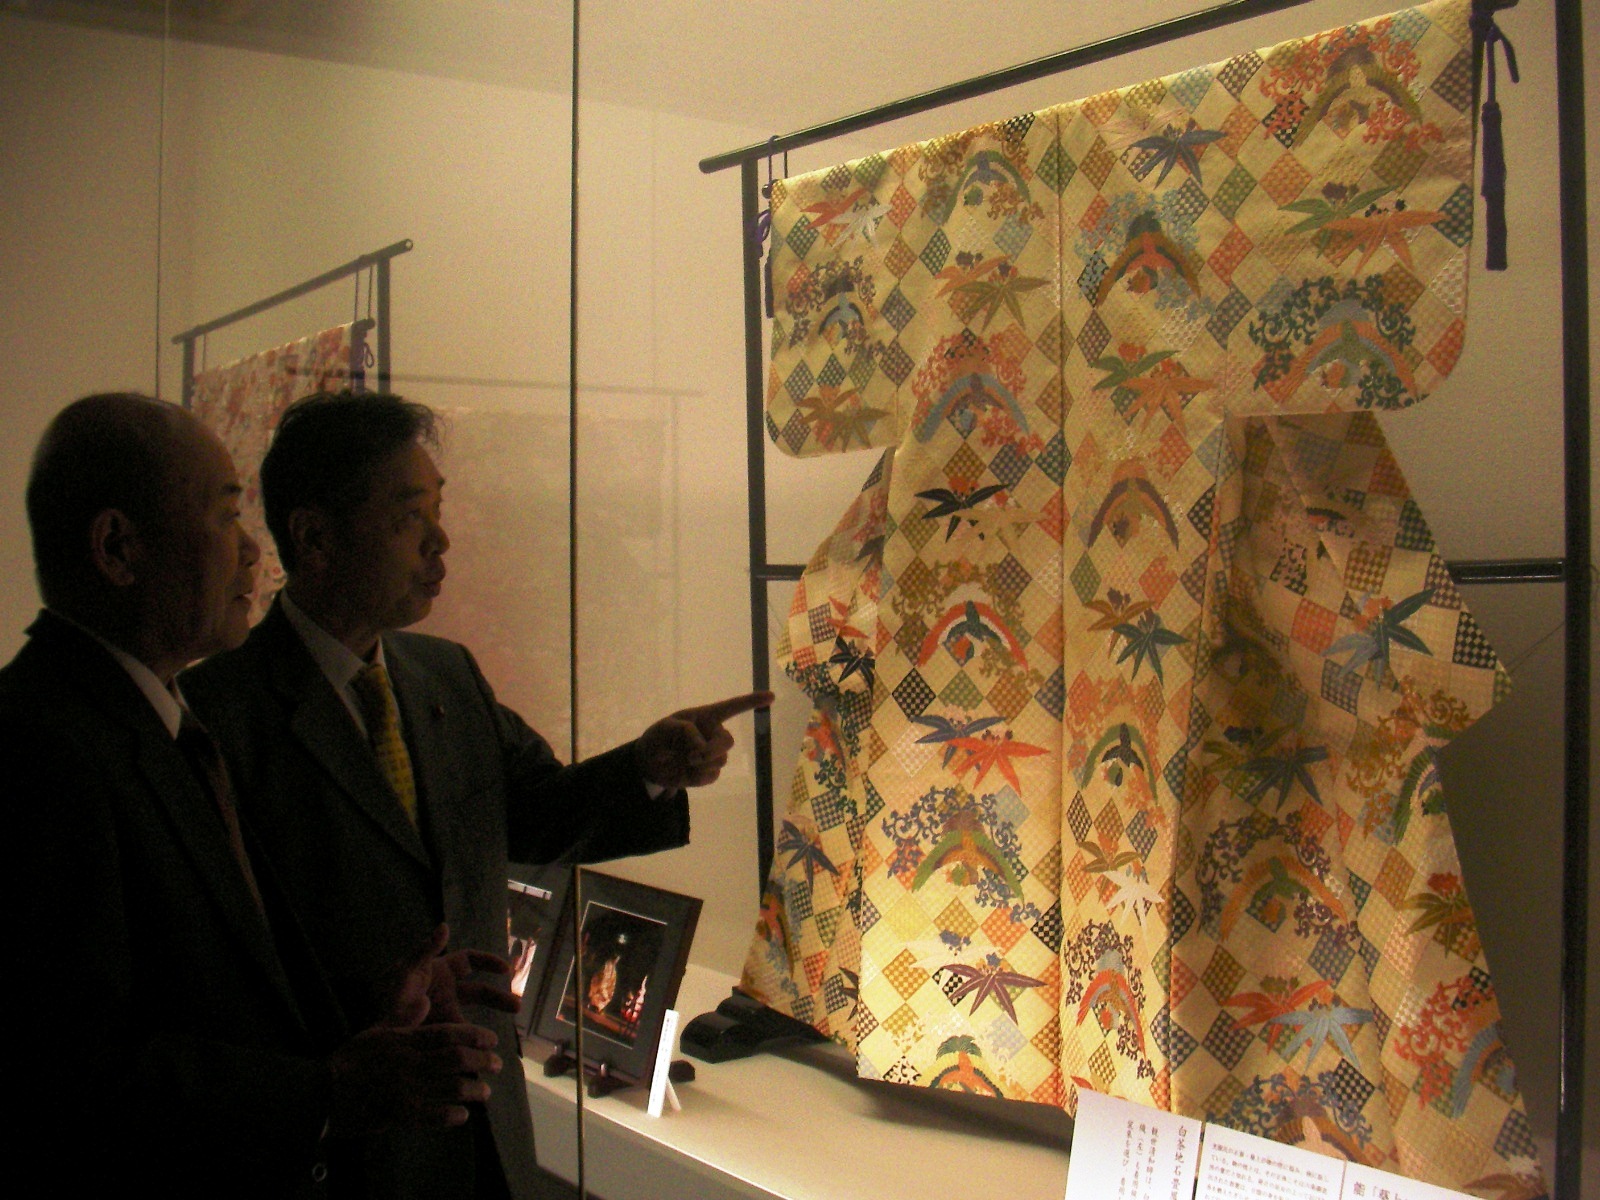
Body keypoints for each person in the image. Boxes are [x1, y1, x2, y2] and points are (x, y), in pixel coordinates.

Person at [182, 390, 770, 1200]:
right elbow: (209, 979)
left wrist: (649, 766)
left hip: (484, 1129)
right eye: (408, 517)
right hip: (346, 1148)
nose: (440, 540)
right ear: (314, 538)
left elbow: (535, 813)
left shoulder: (443, 674)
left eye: (438, 509)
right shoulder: (217, 717)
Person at [4, 393, 512, 1198]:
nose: (250, 551)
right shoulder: (40, 751)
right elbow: (61, 1075)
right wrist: (328, 1093)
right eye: (224, 515)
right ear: (118, 548)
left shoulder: (148, 726)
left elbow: (198, 988)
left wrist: (366, 1006)